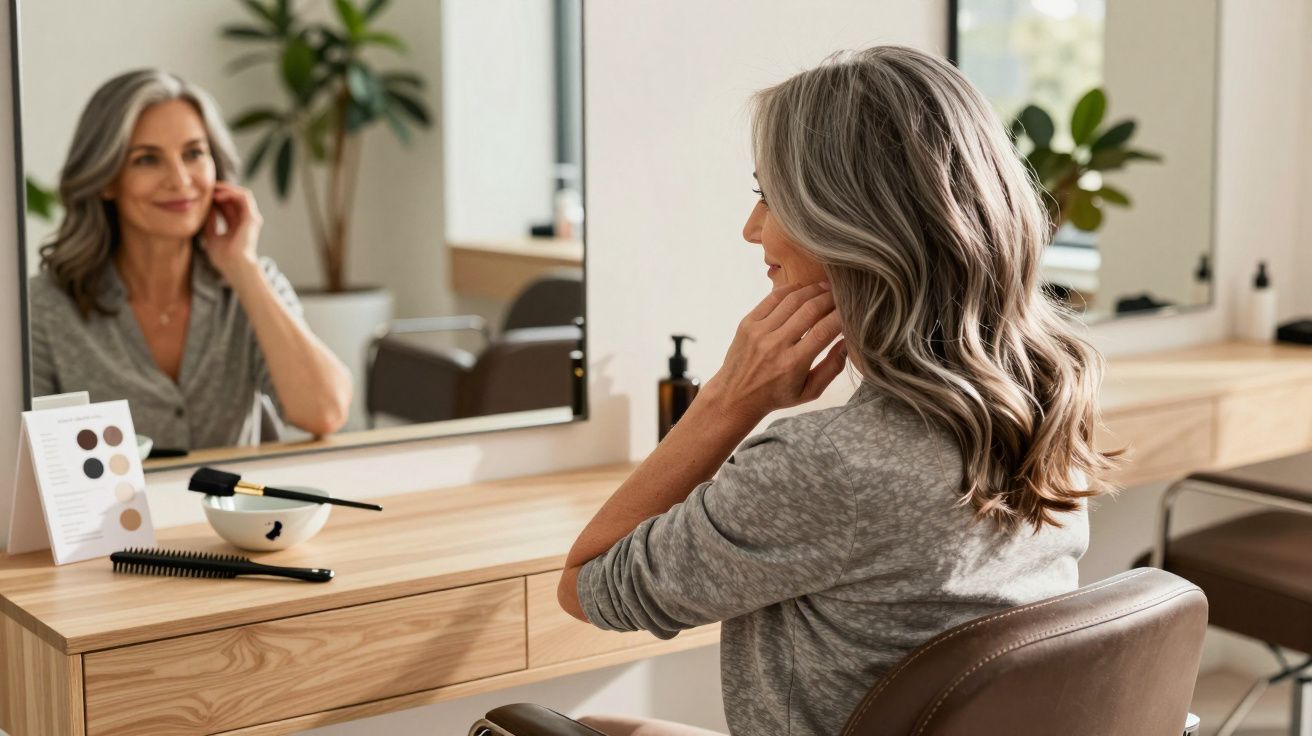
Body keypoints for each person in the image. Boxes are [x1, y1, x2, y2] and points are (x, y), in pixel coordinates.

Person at [557, 46, 1118, 736]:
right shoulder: (1044, 395)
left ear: (850, 225)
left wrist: (729, 400)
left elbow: (588, 586)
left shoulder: (831, 464)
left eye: (770, 197)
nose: (752, 230)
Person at [29, 70, 352, 451]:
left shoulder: (252, 281)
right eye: (147, 159)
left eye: (194, 153)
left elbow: (324, 411)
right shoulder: (45, 307)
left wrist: (243, 268)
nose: (180, 180)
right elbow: (25, 459)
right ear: (106, 179)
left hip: (231, 511)